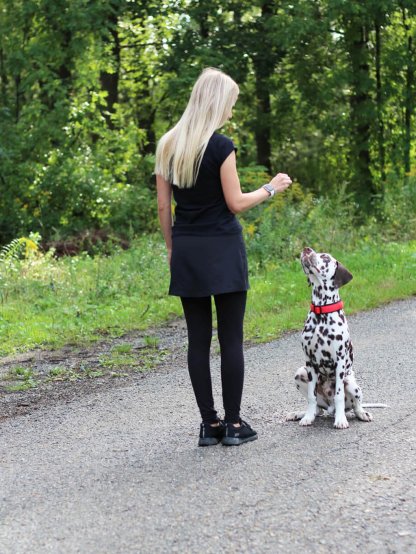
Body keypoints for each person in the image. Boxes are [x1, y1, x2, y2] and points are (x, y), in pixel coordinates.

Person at [155, 67, 292, 447]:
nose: (231, 112)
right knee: (231, 339)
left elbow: (164, 208)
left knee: (197, 341)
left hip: (187, 250)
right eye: (230, 104)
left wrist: (171, 247)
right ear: (217, 103)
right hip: (223, 249)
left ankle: (208, 425)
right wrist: (271, 187)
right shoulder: (221, 146)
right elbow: (235, 203)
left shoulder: (168, 145)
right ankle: (233, 425)